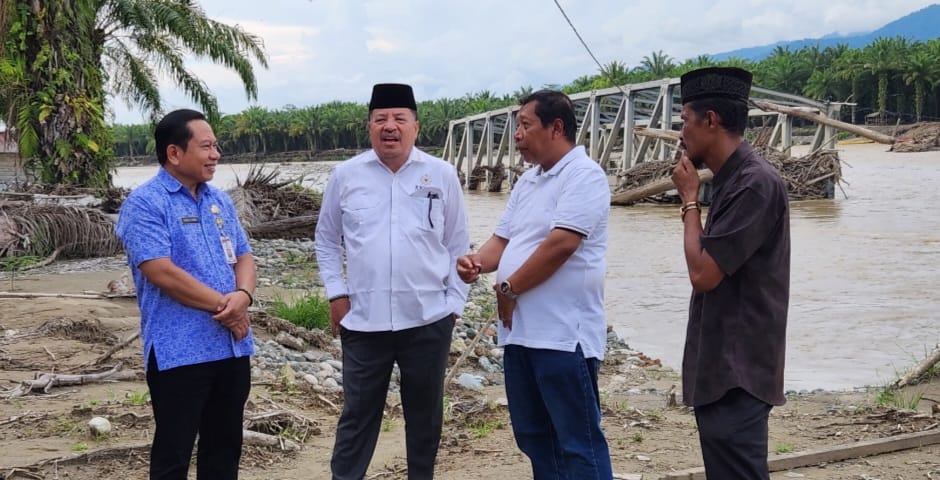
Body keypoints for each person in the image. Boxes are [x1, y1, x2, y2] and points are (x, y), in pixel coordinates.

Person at [314, 83, 470, 480]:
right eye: (381, 119)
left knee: (425, 420)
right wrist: (337, 293)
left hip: (428, 320)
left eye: (399, 119)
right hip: (364, 323)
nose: (390, 127)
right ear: (369, 128)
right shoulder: (346, 175)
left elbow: (457, 243)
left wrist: (455, 305)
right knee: (357, 417)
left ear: (416, 127)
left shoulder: (442, 174)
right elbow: (327, 238)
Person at [456, 90, 613, 479]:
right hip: (521, 335)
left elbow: (562, 244)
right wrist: (476, 262)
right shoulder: (529, 181)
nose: (517, 135)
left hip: (563, 336)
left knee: (578, 442)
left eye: (525, 125)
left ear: (556, 127)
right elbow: (504, 241)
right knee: (534, 436)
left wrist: (509, 288)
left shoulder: (584, 175)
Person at [115, 109, 256, 480]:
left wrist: (243, 295)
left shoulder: (219, 201)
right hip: (180, 352)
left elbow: (243, 255)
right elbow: (160, 271)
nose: (216, 154)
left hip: (230, 347)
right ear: (174, 153)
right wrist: (229, 308)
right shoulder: (146, 202)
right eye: (206, 146)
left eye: (216, 146)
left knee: (224, 450)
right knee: (173, 455)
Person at [670, 67, 790, 479]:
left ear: (711, 120)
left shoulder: (754, 183)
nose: (681, 131)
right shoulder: (732, 179)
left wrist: (689, 201)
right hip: (722, 366)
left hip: (739, 371)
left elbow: (703, 274)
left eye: (685, 119)